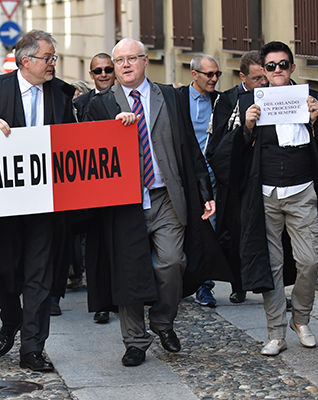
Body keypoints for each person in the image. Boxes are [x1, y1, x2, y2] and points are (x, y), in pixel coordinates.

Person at [213, 41, 318, 356]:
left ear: (292, 68)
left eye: (283, 65)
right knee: (270, 265)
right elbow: (222, 152)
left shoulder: (313, 100)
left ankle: (301, 317)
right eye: (271, 66)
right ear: (263, 71)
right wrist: (246, 128)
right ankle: (276, 333)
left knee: (310, 259)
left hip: (303, 192)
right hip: (264, 195)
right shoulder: (246, 104)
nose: (278, 71)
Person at [86, 38, 229, 367]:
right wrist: (111, 129)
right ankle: (135, 341)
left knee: (172, 262)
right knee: (130, 271)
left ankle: (163, 322)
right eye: (118, 60)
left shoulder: (170, 96)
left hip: (167, 196)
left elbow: (191, 148)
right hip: (124, 202)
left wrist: (205, 193)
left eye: (130, 59)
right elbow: (90, 153)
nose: (124, 65)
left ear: (144, 60)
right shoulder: (102, 104)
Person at [0, 29, 76, 372]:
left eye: (54, 58)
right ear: (26, 61)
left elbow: (77, 142)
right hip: (3, 203)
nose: (53, 63)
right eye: (48, 58)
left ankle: (32, 349)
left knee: (40, 275)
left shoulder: (62, 95)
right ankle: (11, 319)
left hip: (45, 204)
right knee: (2, 274)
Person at [207, 50, 267, 304]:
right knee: (235, 231)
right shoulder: (228, 99)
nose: (262, 83)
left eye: (264, 77)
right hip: (236, 176)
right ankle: (238, 284)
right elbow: (217, 142)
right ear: (243, 76)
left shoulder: (281, 93)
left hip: (267, 173)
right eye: (256, 79)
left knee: (269, 233)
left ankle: (270, 289)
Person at [72, 52, 116, 324]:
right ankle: (101, 302)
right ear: (91, 74)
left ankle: (123, 298)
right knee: (96, 248)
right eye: (97, 70)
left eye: (107, 69)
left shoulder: (127, 98)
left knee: (122, 247)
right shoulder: (80, 104)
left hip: (125, 186)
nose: (103, 74)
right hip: (93, 187)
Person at [177, 54, 222, 308]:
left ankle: (205, 287)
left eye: (217, 74)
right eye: (209, 74)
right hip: (183, 177)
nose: (214, 79)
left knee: (209, 230)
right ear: (195, 75)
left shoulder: (222, 101)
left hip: (211, 178)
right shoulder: (178, 98)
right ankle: (178, 283)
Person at [73, 53, 115, 122]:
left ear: (115, 71)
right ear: (91, 75)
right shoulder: (79, 103)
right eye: (98, 71)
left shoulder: (125, 97)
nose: (103, 75)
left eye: (108, 70)